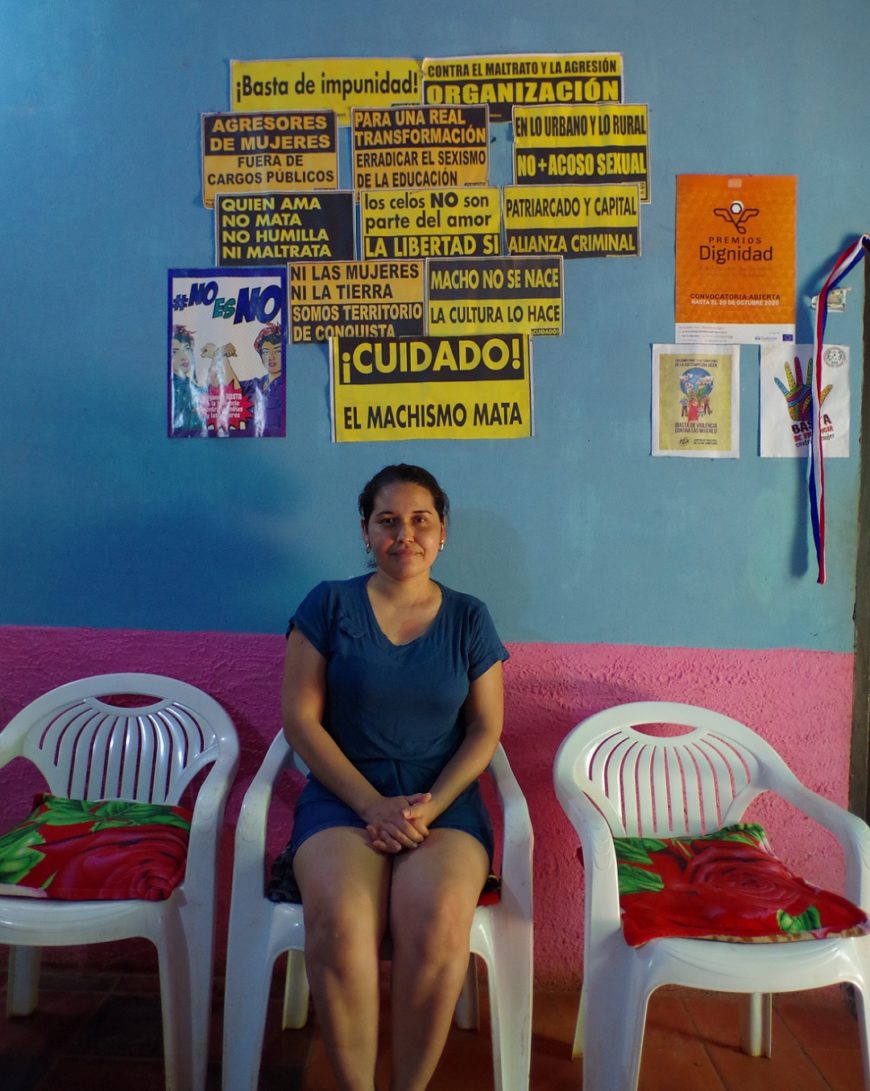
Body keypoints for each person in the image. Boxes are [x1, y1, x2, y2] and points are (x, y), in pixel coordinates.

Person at [274, 463, 508, 1091]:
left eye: (419, 520)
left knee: (435, 919)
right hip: (343, 797)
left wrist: (422, 811)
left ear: (441, 533)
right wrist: (373, 804)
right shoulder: (327, 604)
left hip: (442, 805)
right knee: (340, 921)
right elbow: (300, 720)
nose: (404, 534)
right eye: (388, 521)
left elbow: (486, 729)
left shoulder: (469, 617)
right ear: (366, 532)